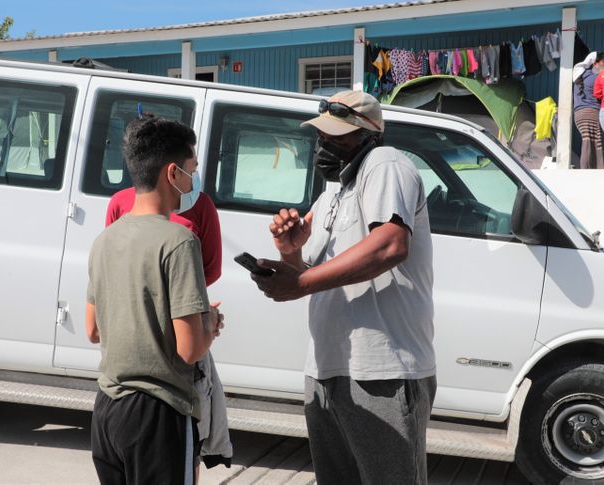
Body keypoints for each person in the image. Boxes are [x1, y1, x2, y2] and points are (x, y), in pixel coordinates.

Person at [251, 90, 436, 484]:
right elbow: (322, 276)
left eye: (337, 138)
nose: (325, 145)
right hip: (328, 368)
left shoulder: (384, 164)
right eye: (322, 137)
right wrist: (291, 254)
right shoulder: (333, 191)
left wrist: (299, 281)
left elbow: (390, 243)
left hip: (381, 370)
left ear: (369, 135)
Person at [85, 115, 224, 484]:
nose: (193, 181)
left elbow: (93, 329)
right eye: (192, 170)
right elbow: (190, 349)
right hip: (158, 414)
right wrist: (208, 324)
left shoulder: (104, 240)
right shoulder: (179, 242)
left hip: (106, 409)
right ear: (173, 173)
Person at [573, 51, 604, 169]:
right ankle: (588, 172)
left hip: (579, 114)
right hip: (591, 113)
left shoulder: (579, 74)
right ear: (595, 63)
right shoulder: (596, 77)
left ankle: (588, 170)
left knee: (588, 141)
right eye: (603, 61)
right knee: (593, 143)